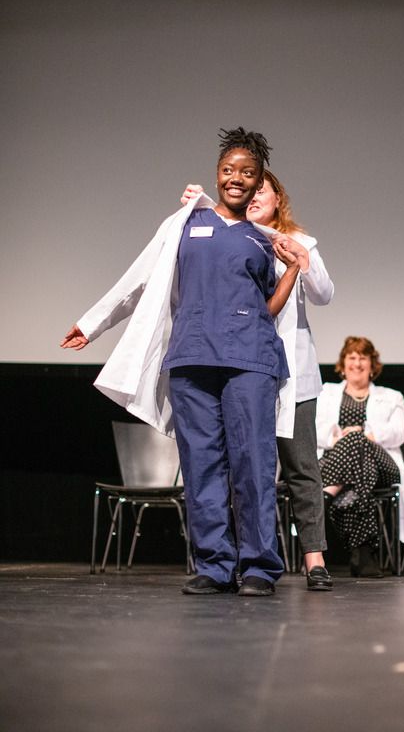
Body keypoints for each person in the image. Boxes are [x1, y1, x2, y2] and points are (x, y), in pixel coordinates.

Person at [60, 127, 302, 597]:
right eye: (228, 170)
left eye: (247, 173)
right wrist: (93, 323)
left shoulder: (263, 240)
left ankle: (258, 566)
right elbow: (140, 277)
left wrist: (292, 267)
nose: (236, 178)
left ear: (259, 183)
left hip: (250, 358)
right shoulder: (185, 223)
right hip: (193, 356)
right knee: (202, 463)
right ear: (217, 174)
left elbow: (267, 307)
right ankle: (214, 565)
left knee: (253, 463)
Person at [180, 170, 334, 590]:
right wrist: (200, 207)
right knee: (242, 468)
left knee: (301, 467)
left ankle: (315, 560)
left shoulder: (300, 241)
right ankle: (227, 563)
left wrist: (300, 259)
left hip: (293, 375)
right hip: (243, 366)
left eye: (262, 189)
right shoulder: (235, 238)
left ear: (278, 197)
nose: (252, 196)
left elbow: (324, 294)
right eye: (248, 190)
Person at [316, 336, 404, 577]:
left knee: (358, 440)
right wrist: (337, 438)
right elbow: (312, 427)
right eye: (352, 357)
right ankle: (363, 552)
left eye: (363, 358)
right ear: (343, 363)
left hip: (383, 465)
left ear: (372, 364)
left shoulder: (393, 396)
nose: (357, 363)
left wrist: (366, 435)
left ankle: (327, 494)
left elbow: (399, 433)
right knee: (360, 471)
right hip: (338, 462)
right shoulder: (325, 392)